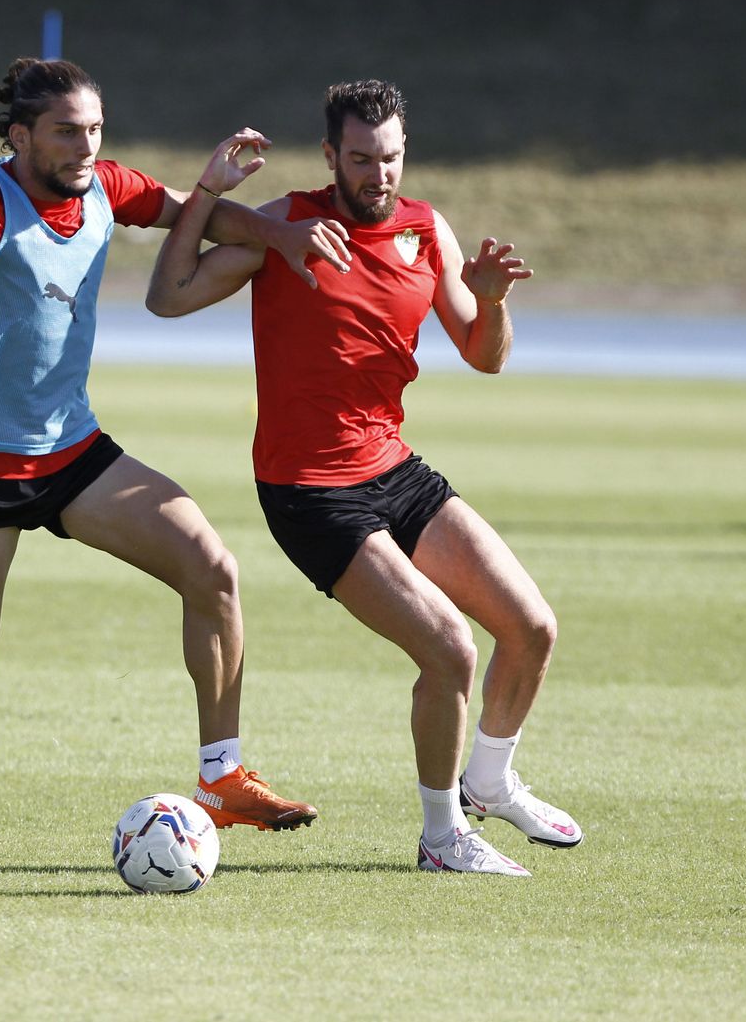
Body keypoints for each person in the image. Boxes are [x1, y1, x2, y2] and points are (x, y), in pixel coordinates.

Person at [0, 57, 352, 830]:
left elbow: (185, 213)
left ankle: (222, 775)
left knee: (212, 569)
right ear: (19, 135)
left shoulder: (103, 184)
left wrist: (278, 233)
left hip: (71, 452)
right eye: (67, 131)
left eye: (95, 129)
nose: (84, 145)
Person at [145, 79, 582, 876]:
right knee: (450, 648)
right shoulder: (285, 224)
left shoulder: (427, 228)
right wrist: (208, 192)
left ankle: (489, 779)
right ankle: (441, 835)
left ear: (404, 153)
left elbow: (485, 356)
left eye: (389, 158)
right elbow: (166, 297)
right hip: (310, 491)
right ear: (329, 157)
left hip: (394, 469)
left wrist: (490, 304)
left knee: (531, 628)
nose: (376, 174)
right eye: (359, 159)